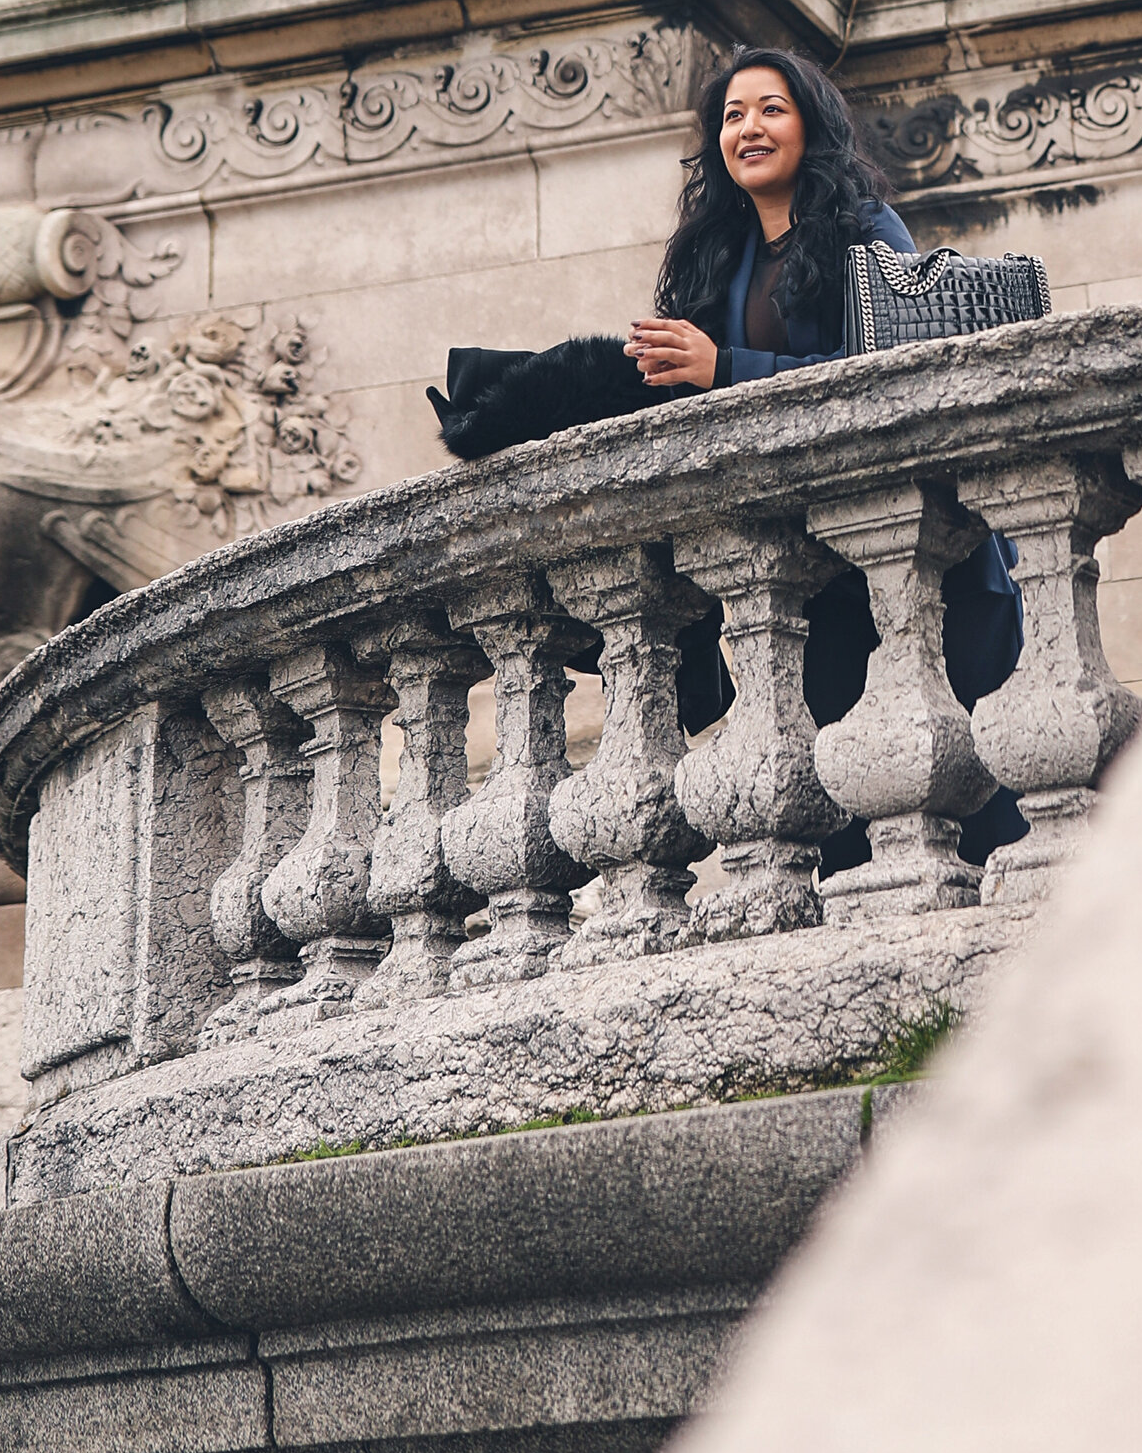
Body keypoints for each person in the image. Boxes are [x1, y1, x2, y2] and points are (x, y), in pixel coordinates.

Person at [426, 50, 1024, 861]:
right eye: (733, 115)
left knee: (970, 807)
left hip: (916, 565)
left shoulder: (864, 230)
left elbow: (872, 381)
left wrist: (723, 368)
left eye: (771, 109)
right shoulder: (716, 254)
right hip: (810, 574)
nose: (750, 127)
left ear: (809, 124)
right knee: (841, 809)